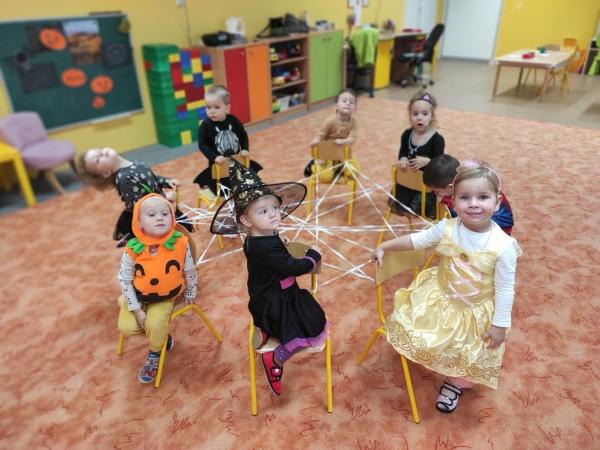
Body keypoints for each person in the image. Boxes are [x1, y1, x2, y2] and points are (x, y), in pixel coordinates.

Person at [373, 160, 521, 413]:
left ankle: (455, 384)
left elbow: (506, 288)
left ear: (497, 202)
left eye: (482, 197)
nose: (473, 204)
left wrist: (500, 324)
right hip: (440, 299)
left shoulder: (503, 246)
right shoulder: (448, 227)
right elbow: (418, 240)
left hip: (474, 311)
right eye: (464, 197)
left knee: (466, 351)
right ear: (453, 200)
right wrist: (385, 246)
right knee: (425, 332)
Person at [210, 158, 327, 396]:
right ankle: (276, 358)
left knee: (310, 318)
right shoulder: (266, 247)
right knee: (311, 329)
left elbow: (269, 254)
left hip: (268, 297)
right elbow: (294, 268)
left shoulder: (257, 238)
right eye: (263, 211)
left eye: (274, 207)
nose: (273, 214)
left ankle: (265, 328)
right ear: (246, 220)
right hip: (275, 302)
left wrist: (278, 240)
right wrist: (313, 256)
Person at [117, 193, 197, 383]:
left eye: (165, 213)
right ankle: (161, 334)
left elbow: (190, 270)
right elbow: (125, 280)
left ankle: (154, 352)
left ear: (172, 217)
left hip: (165, 297)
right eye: (152, 215)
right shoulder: (132, 248)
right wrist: (136, 309)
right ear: (139, 222)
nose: (160, 218)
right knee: (127, 327)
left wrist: (191, 291)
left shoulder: (180, 242)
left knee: (154, 325)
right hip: (138, 295)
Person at [78, 147, 192, 246]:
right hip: (154, 217)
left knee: (181, 231)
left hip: (161, 206)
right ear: (106, 173)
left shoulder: (136, 163)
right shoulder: (123, 179)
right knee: (170, 238)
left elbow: (151, 178)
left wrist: (167, 181)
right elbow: (140, 203)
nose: (101, 153)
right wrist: (164, 196)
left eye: (99, 150)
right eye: (97, 160)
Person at [193, 85, 263, 195]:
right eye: (208, 107)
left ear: (227, 108)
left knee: (247, 185)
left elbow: (243, 136)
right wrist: (214, 157)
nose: (212, 111)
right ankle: (210, 185)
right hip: (218, 168)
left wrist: (245, 149)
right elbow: (202, 145)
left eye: (216, 107)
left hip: (237, 165)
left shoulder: (233, 121)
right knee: (223, 193)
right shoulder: (205, 125)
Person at [424, 155, 515, 234]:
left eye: (437, 192)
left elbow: (461, 214)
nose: (435, 194)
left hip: (499, 229)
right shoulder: (464, 182)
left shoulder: (470, 189)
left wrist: (445, 200)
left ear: (451, 187)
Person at [390, 92, 444, 219]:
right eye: (415, 114)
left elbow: (440, 163)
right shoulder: (406, 134)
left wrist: (428, 161)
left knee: (419, 211)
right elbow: (403, 152)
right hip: (407, 183)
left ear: (432, 116)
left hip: (425, 188)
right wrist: (403, 159)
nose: (420, 118)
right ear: (410, 116)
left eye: (425, 114)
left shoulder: (437, 139)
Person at [303, 88, 359, 180]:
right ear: (336, 105)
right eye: (344, 101)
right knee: (326, 176)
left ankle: (339, 167)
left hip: (342, 152)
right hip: (327, 151)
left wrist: (344, 141)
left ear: (355, 108)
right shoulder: (330, 121)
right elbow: (320, 134)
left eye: (351, 102)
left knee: (355, 171)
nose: (348, 103)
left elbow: (352, 138)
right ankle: (313, 164)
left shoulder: (353, 122)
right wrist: (316, 141)